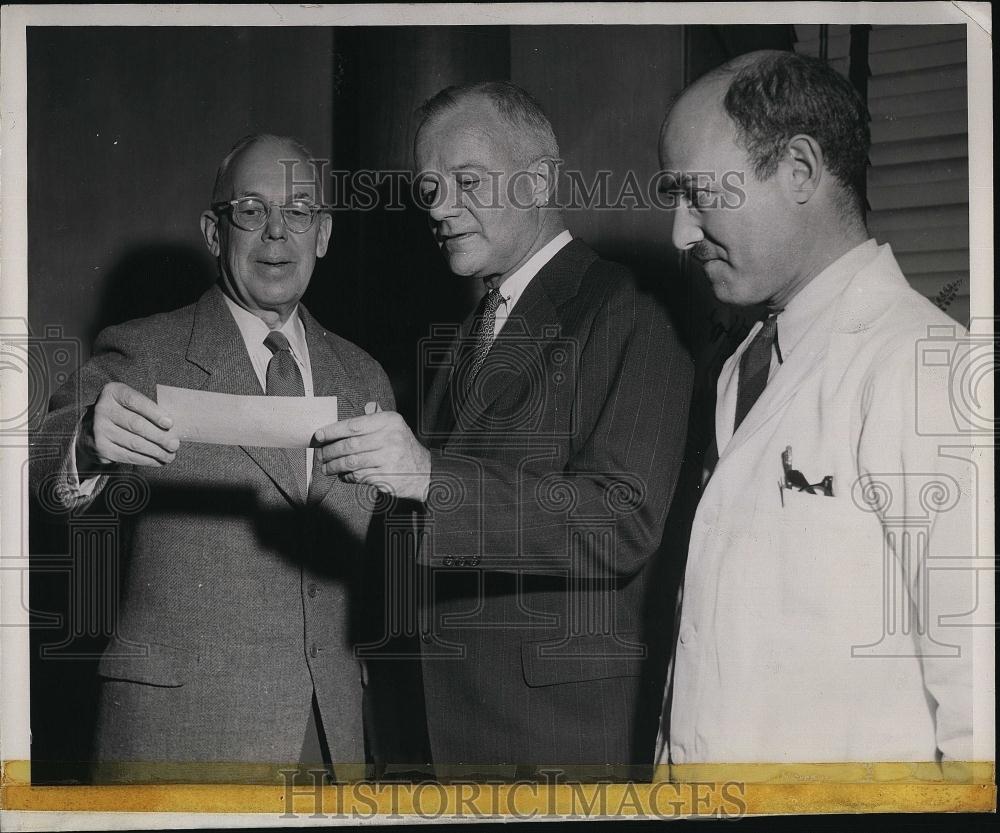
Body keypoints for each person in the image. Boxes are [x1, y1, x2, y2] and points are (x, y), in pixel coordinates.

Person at [315, 81, 693, 778]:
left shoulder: (631, 308)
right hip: (445, 728)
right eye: (430, 188)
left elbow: (624, 520)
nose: (440, 209)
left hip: (556, 739)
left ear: (541, 177)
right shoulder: (472, 327)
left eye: (467, 181)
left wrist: (430, 475)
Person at [30, 134, 395, 783]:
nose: (277, 232)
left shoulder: (365, 378)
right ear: (212, 229)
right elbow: (39, 462)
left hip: (330, 743)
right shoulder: (148, 351)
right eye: (251, 210)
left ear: (324, 233)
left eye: (300, 210)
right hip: (182, 742)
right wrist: (85, 438)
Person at [654, 51, 977, 775]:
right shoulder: (744, 365)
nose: (680, 233)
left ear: (799, 168)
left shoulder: (927, 366)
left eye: (698, 195)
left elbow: (981, 707)